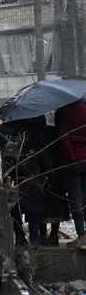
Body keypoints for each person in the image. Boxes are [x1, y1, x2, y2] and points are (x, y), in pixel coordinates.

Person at [0, 118, 48, 247]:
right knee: (33, 206)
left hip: (10, 172)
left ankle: (19, 237)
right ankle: (34, 236)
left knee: (14, 205)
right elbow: (42, 150)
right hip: (32, 171)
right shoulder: (32, 127)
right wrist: (47, 170)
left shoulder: (3, 128)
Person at [54, 100, 86, 249]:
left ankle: (82, 236)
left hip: (72, 162)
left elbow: (63, 138)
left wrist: (70, 159)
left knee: (76, 199)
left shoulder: (63, 112)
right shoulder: (84, 109)